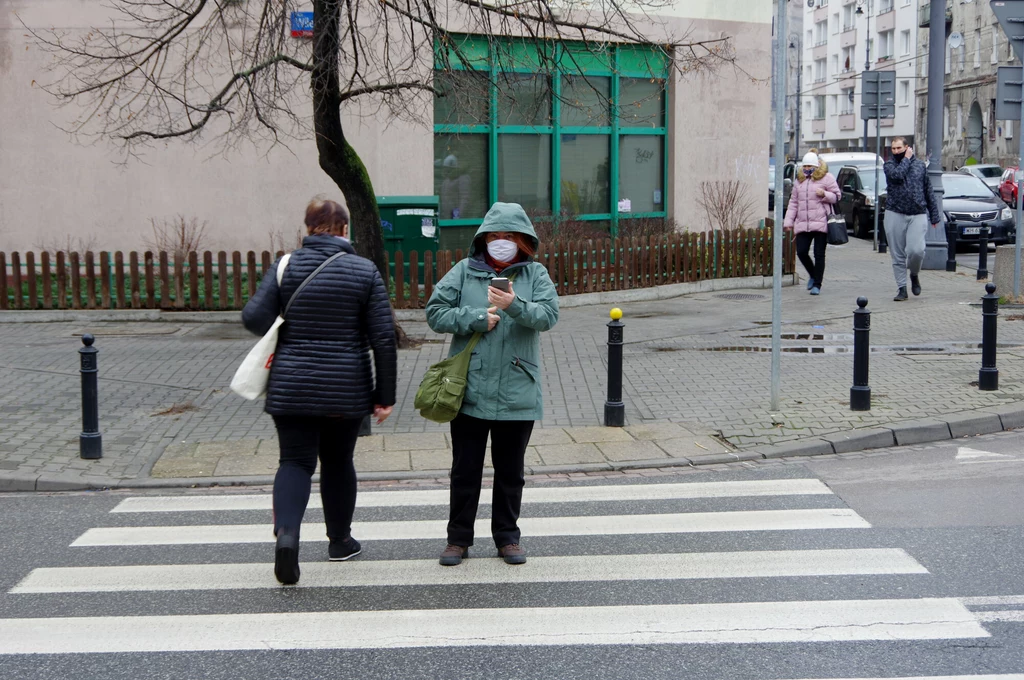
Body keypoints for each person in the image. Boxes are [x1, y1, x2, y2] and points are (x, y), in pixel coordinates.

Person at [242, 198, 397, 585]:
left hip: (291, 385)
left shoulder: (284, 266)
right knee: (339, 461)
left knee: (294, 462)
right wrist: (385, 394)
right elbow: (384, 338)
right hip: (346, 389)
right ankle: (340, 541)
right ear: (345, 230)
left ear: (308, 227)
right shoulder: (364, 270)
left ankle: (288, 536)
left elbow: (253, 318)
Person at [425, 202, 559, 567]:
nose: (501, 242)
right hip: (469, 389)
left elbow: (549, 316)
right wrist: (473, 319)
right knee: (465, 469)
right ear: (483, 239)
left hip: (518, 388)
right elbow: (434, 313)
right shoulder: (464, 271)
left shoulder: (535, 275)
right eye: (495, 236)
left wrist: (514, 305)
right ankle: (458, 540)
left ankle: (507, 538)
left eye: (509, 236)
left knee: (510, 471)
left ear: (522, 240)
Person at [882, 137, 940, 301]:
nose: (896, 151)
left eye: (899, 148)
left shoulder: (920, 165)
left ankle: (914, 274)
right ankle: (902, 288)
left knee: (917, 250)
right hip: (895, 212)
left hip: (917, 213)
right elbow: (898, 175)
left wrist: (934, 215)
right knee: (898, 255)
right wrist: (906, 158)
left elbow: (928, 189)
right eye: (893, 149)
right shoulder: (889, 165)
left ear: (907, 147)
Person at [783, 151, 841, 296]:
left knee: (819, 254)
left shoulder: (827, 178)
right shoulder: (799, 181)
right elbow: (793, 203)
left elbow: (837, 196)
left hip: (821, 222)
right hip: (803, 222)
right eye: (805, 166)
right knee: (801, 252)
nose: (807, 168)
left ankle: (817, 284)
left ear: (816, 165)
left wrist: (825, 194)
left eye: (810, 165)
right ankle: (813, 274)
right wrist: (788, 222)